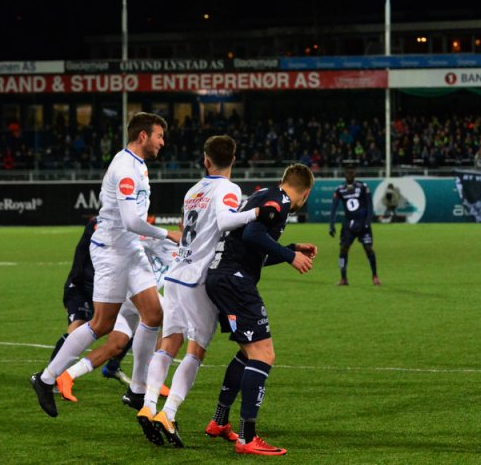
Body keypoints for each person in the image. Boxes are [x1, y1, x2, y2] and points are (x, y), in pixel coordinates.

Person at [31, 112, 182, 418]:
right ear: (142, 136)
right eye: (159, 136)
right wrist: (168, 234)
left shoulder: (138, 165)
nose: (162, 142)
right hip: (113, 253)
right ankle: (45, 379)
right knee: (100, 324)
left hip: (130, 251)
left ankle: (137, 390)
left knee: (153, 314)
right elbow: (130, 221)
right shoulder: (126, 168)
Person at [136, 135, 259, 448]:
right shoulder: (229, 189)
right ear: (233, 159)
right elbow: (226, 220)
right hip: (198, 280)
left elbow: (186, 226)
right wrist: (256, 212)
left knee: (168, 344)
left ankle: (149, 405)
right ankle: (169, 412)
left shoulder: (194, 189)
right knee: (196, 349)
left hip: (176, 273)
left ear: (206, 160)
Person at [205, 163, 316, 456]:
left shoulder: (266, 196)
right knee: (263, 354)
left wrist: (290, 247)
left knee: (247, 352)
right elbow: (253, 235)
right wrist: (291, 255)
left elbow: (255, 253)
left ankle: (219, 421)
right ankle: (247, 437)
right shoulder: (278, 203)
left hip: (224, 276)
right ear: (305, 193)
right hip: (234, 280)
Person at [55, 235, 175, 404]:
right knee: (172, 321)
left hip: (131, 298)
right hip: (135, 291)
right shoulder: (161, 239)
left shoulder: (197, 247)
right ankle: (150, 380)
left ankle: (67, 375)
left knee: (116, 345)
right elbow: (128, 238)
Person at [329, 165, 379, 286]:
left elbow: (370, 205)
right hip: (348, 225)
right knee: (343, 249)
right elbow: (334, 208)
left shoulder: (363, 187)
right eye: (348, 172)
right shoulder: (340, 189)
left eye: (352, 172)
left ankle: (375, 276)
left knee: (369, 249)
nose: (350, 174)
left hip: (362, 224)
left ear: (355, 173)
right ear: (345, 174)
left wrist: (368, 222)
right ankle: (343, 278)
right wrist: (331, 225)